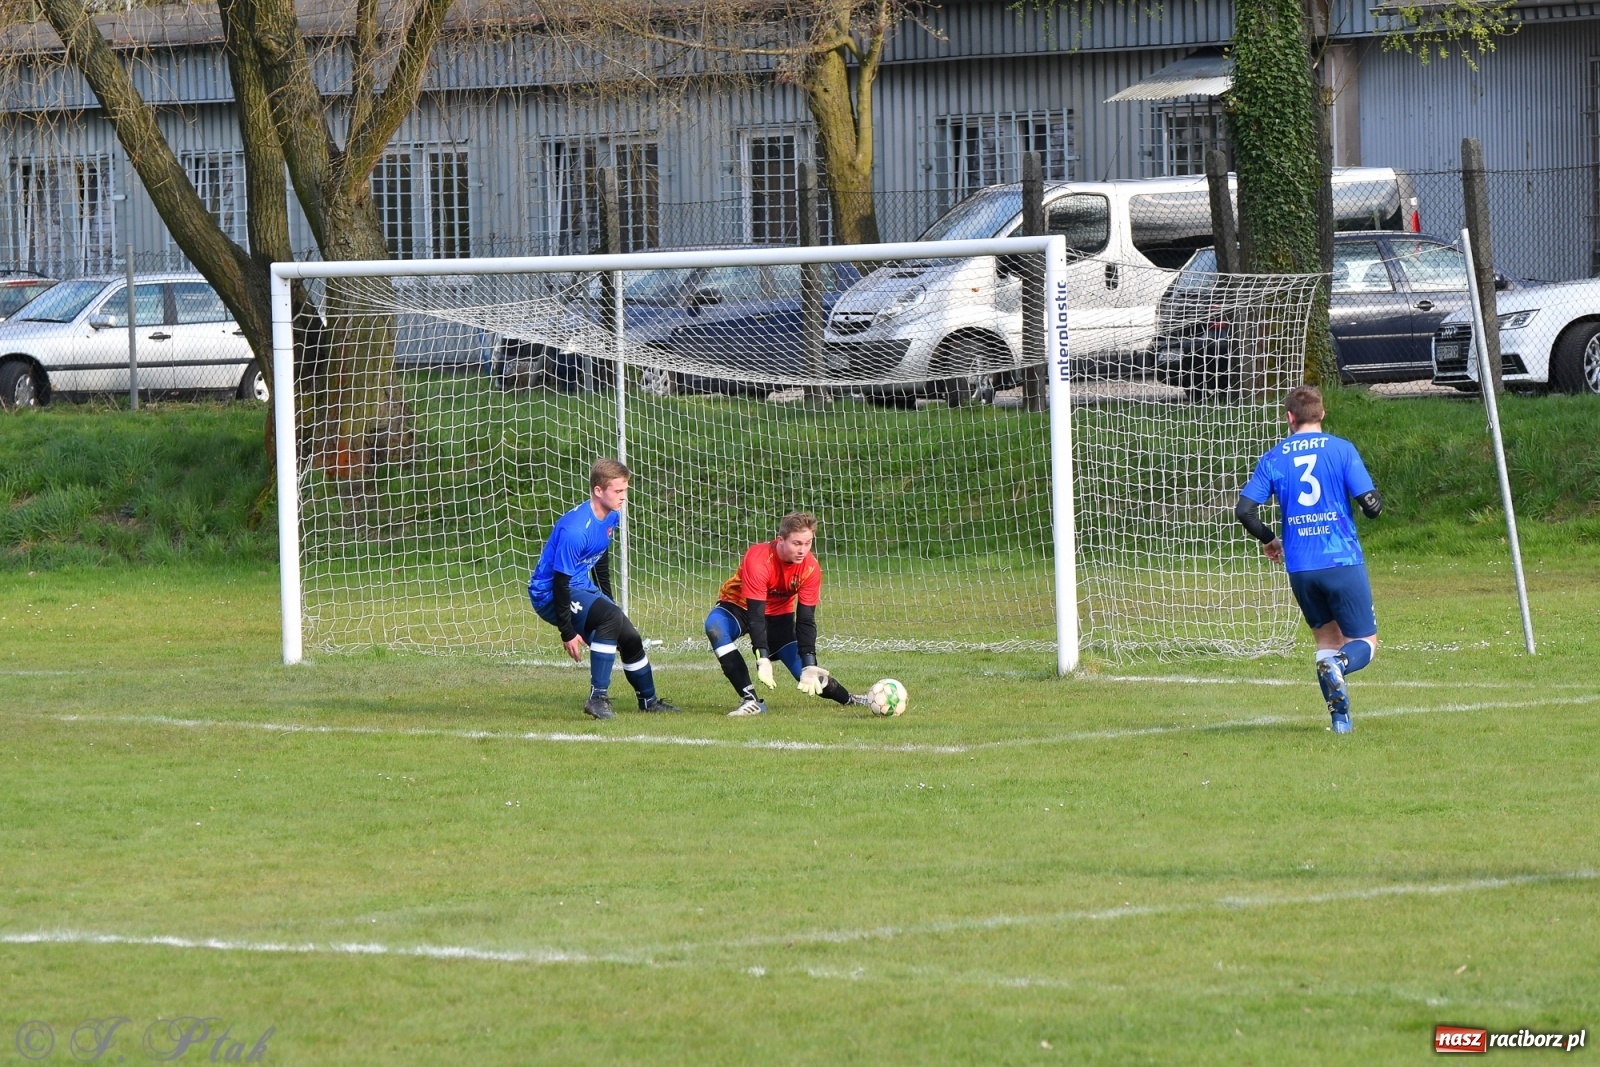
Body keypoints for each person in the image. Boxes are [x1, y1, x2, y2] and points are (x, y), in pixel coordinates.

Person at [1235, 386, 1382, 734]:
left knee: (1326, 642)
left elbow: (1244, 511)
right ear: (1322, 413)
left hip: (1301, 566)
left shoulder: (1274, 457)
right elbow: (1371, 505)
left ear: (1290, 417)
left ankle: (1340, 722)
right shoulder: (1341, 449)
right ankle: (1341, 665)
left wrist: (1270, 539)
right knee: (1365, 642)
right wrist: (1370, 505)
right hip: (1341, 559)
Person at [529, 459, 679, 720]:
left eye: (625, 490)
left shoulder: (612, 515)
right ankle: (597, 699)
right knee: (610, 618)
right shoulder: (576, 530)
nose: (623, 497)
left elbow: (600, 557)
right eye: (618, 491)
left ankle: (649, 701)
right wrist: (567, 631)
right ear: (598, 491)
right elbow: (559, 582)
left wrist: (607, 601)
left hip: (579, 587)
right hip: (550, 593)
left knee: (629, 636)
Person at [704, 512, 871, 717]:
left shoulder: (811, 568)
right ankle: (751, 700)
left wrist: (809, 663)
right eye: (797, 543)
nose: (803, 550)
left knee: (807, 676)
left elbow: (806, 620)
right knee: (715, 627)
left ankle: (851, 699)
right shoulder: (758, 558)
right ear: (781, 540)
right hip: (738, 606)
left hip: (778, 619)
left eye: (808, 543)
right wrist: (762, 658)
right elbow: (756, 615)